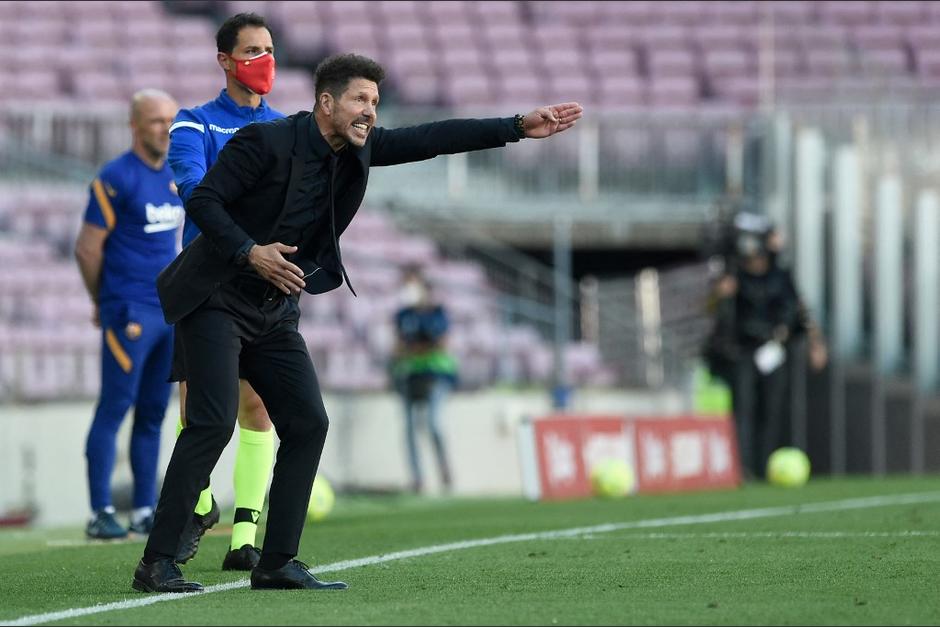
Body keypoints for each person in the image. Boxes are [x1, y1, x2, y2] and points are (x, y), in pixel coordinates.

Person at [131, 52, 583, 593]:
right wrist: (251, 252)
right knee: (212, 423)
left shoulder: (360, 149)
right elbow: (202, 198)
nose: (370, 110)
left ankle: (276, 562)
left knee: (308, 422)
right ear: (326, 102)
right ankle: (156, 563)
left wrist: (515, 127)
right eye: (359, 100)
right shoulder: (265, 142)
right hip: (216, 296)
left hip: (273, 309)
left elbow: (432, 137)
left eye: (374, 101)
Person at [166, 11, 285, 572]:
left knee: (257, 403)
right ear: (225, 61)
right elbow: (193, 187)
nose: (264, 61)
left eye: (268, 49)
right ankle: (200, 502)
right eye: (252, 51)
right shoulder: (194, 124)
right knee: (200, 410)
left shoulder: (287, 127)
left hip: (262, 286)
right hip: (209, 281)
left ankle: (245, 536)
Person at [74, 89, 182, 539]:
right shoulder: (115, 177)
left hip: (169, 310)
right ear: (135, 126)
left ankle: (143, 508)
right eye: (156, 121)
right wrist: (104, 300)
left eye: (170, 121)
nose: (165, 129)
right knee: (116, 405)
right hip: (130, 309)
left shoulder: (177, 174)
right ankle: (100, 510)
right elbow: (86, 248)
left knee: (155, 411)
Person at [704, 227, 827, 481]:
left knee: (771, 410)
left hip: (774, 350)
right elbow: (709, 310)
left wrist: (816, 343)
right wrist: (719, 294)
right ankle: (743, 468)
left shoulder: (780, 277)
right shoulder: (734, 278)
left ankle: (765, 466)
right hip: (742, 352)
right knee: (743, 409)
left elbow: (800, 311)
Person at [391, 266, 458, 494]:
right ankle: (418, 479)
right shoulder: (402, 315)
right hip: (410, 376)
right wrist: (418, 347)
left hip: (436, 375)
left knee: (433, 424)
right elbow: (398, 348)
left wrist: (414, 347)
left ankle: (444, 471)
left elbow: (441, 343)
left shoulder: (437, 312)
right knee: (409, 428)